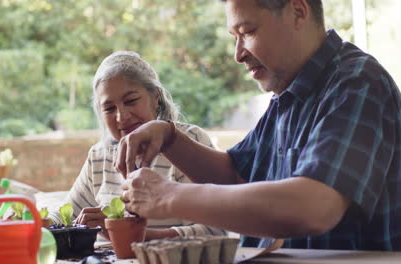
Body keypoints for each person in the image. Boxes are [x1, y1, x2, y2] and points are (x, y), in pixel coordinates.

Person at [114, 0, 401, 251]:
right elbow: (235, 175)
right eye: (234, 37)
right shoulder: (288, 95)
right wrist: (169, 136)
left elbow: (315, 207)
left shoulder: (357, 83)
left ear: (298, 12)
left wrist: (168, 196)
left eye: (247, 32)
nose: (238, 54)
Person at [49, 51, 226, 240]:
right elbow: (63, 216)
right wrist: (29, 222)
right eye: (109, 108)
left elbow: (217, 230)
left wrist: (127, 234)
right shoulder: (100, 156)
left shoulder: (187, 143)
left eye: (131, 101)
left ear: (155, 97)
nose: (121, 116)